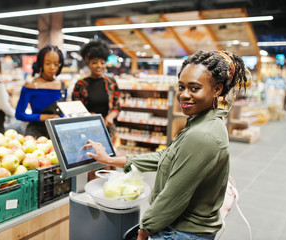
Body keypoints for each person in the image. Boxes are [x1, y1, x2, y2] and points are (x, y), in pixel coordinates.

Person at [85, 50, 249, 240]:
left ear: (217, 89)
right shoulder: (204, 123)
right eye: (181, 87)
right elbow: (164, 156)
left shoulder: (202, 135)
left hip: (180, 232)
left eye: (194, 88)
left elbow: (173, 197)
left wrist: (144, 230)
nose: (184, 95)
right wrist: (110, 159)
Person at [72, 39, 120, 140]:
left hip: (108, 129)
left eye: (102, 63)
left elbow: (117, 106)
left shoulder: (111, 83)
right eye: (94, 62)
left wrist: (110, 116)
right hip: (86, 130)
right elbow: (76, 109)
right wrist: (92, 116)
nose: (99, 66)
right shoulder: (80, 85)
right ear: (88, 63)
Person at [15, 44, 66, 138]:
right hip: (35, 134)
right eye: (48, 63)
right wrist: (44, 117)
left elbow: (62, 112)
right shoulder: (30, 85)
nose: (52, 67)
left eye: (56, 64)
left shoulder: (62, 86)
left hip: (56, 133)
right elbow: (19, 114)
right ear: (41, 63)